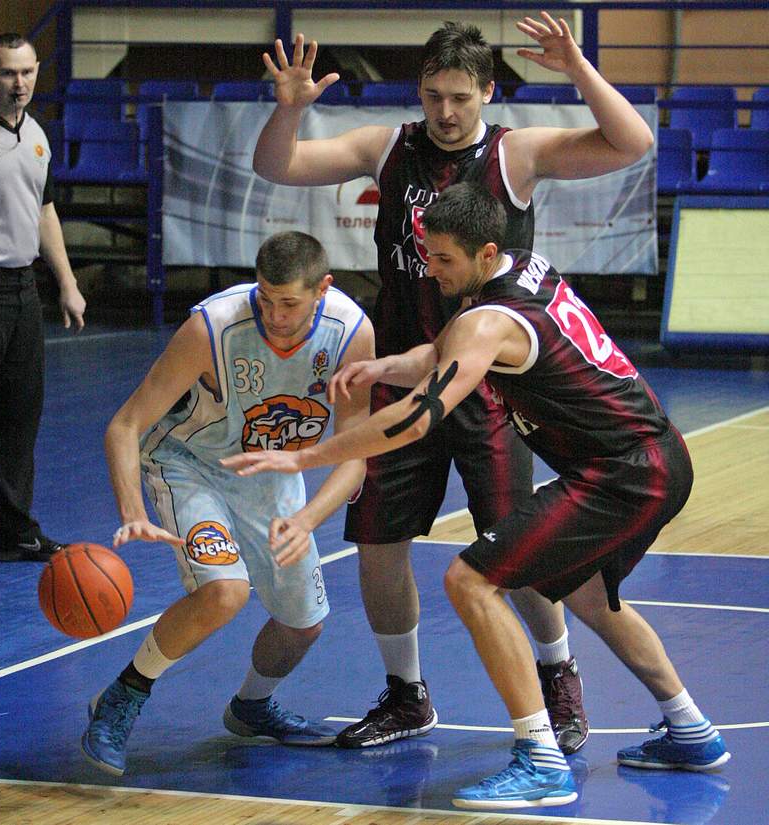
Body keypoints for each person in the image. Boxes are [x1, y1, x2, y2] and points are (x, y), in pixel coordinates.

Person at [224, 182, 730, 809]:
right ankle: (691, 730)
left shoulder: (488, 321)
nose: (430, 270)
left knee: (470, 581)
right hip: (651, 458)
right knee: (588, 595)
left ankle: (540, 759)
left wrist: (303, 456)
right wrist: (383, 367)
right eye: (426, 255)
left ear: (485, 253)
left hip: (625, 472)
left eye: (443, 260)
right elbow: (444, 354)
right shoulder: (523, 271)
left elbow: (417, 418)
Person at [251, 11, 654, 751]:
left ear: (487, 93)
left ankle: (558, 674)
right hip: (403, 378)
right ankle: (406, 693)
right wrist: (289, 111)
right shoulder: (386, 147)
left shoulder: (515, 155)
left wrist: (577, 68)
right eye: (434, 95)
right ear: (419, 91)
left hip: (492, 389)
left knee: (518, 548)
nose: (445, 111)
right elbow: (278, 166)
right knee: (379, 544)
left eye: (460, 97)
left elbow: (634, 143)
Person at [81, 231, 374, 776]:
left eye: (289, 303)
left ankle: (251, 706)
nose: (275, 315)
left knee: (303, 625)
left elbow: (355, 451)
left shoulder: (352, 333)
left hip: (271, 474)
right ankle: (122, 696)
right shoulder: (212, 327)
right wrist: (132, 511)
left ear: (323, 289)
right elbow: (125, 424)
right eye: (265, 297)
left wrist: (308, 518)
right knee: (224, 592)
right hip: (189, 464)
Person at [0, 33, 86, 577]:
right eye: (8, 73)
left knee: (19, 417)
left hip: (23, 290)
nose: (19, 84)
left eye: (27, 72)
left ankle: (15, 532)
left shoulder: (37, 134)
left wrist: (67, 282)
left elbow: (44, 212)